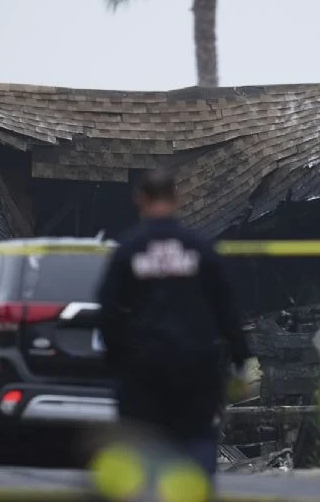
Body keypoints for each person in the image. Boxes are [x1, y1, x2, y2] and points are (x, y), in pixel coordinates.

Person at [95, 168, 253, 490]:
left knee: (139, 449)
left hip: (142, 371)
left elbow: (107, 311)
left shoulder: (128, 250)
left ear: (140, 199)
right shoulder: (199, 249)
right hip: (195, 368)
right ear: (176, 198)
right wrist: (241, 358)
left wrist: (115, 360)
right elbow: (226, 309)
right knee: (196, 442)